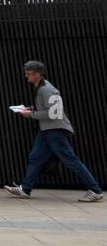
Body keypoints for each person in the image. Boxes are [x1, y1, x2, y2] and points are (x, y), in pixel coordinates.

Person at [5, 60, 102, 202]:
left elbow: (54, 114)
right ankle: (25, 189)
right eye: (26, 73)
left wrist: (31, 114)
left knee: (70, 160)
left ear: (38, 74)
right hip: (47, 130)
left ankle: (95, 190)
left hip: (55, 131)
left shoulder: (46, 89)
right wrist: (32, 109)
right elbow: (50, 109)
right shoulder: (41, 87)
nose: (27, 76)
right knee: (36, 158)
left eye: (29, 74)